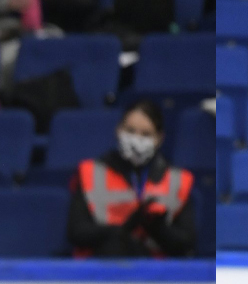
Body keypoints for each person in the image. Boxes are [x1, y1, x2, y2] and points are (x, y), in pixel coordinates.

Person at [68, 99, 196, 257]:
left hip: (157, 274)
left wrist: (157, 227)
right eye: (130, 131)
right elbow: (77, 232)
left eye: (146, 134)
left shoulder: (179, 180)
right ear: (118, 130)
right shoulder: (90, 172)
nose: (136, 139)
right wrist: (119, 231)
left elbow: (186, 242)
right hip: (103, 266)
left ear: (159, 138)